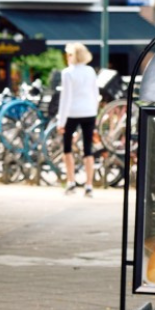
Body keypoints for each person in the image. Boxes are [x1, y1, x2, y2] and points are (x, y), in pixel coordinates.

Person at [57, 42, 99, 197]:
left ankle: (71, 182)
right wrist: (95, 112)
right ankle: (89, 185)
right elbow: (95, 94)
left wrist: (61, 122)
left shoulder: (67, 73)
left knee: (67, 148)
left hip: (72, 113)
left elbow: (65, 98)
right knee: (88, 149)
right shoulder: (90, 71)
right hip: (89, 112)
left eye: (69, 54)